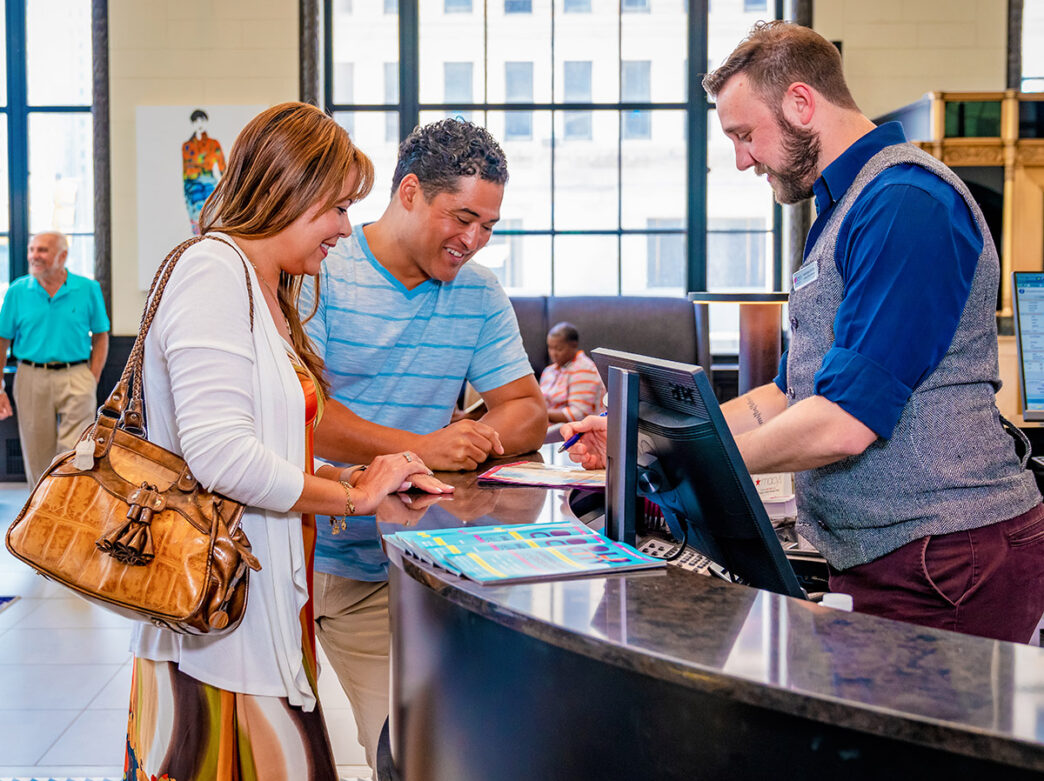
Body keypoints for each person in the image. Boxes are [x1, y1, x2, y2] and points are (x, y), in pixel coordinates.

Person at [563, 21, 1044, 645]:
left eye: (743, 134)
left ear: (800, 103)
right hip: (887, 552)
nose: (740, 159)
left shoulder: (905, 203)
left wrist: (687, 460)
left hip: (946, 557)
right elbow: (787, 395)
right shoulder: (843, 209)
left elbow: (844, 421)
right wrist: (644, 437)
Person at [122, 102, 453, 781]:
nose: (344, 226)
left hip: (257, 608)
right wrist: (353, 495)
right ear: (285, 192)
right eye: (335, 207)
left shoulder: (261, 284)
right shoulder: (212, 270)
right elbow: (221, 457)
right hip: (218, 622)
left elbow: (257, 444)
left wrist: (348, 476)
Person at [298, 117, 546, 773]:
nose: (474, 240)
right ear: (409, 192)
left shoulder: (479, 292)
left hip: (403, 567)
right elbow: (307, 415)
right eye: (461, 217)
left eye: (488, 225)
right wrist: (425, 447)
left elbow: (528, 411)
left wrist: (475, 439)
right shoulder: (321, 267)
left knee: (415, 752)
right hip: (295, 555)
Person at [0, 231, 109, 485]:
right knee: (37, 454)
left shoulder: (88, 289)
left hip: (77, 374)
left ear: (63, 255)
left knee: (75, 452)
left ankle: (67, 510)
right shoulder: (17, 291)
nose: (34, 256)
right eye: (32, 249)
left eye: (42, 250)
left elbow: (101, 336)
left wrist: (92, 377)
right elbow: (2, 340)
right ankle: (40, 516)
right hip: (31, 376)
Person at [539, 321, 606, 441]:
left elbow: (578, 414)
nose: (553, 354)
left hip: (568, 432)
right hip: (542, 425)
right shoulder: (549, 371)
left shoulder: (584, 370)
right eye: (550, 347)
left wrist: (540, 414)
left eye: (558, 348)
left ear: (574, 345)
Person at [182, 108, 226, 235]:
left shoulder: (214, 144)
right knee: (196, 219)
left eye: (202, 120)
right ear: (193, 124)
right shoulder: (187, 146)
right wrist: (187, 194)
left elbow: (223, 167)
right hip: (193, 185)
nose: (199, 124)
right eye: (196, 121)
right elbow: (186, 171)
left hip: (209, 184)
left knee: (213, 219)